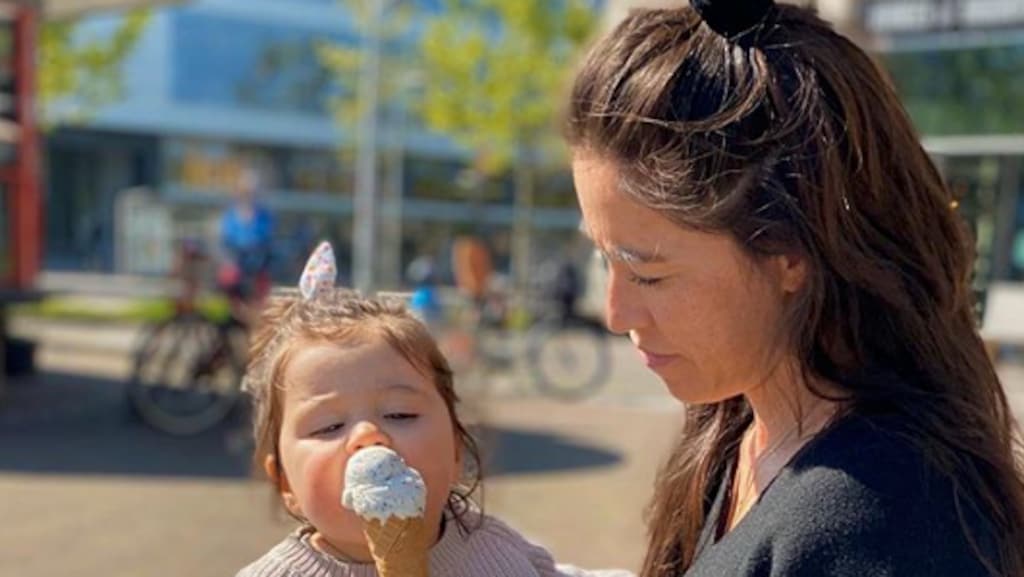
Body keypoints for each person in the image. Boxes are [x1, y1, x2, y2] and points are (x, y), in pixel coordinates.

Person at [565, 1, 1024, 576]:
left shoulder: (880, 523)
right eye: (603, 258)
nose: (615, 312)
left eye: (648, 273)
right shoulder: (739, 430)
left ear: (791, 253)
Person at [236, 242, 628, 577]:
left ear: (457, 449)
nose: (368, 436)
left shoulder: (491, 551)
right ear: (284, 483)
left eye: (401, 414)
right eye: (330, 426)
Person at [219, 166, 275, 325]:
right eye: (245, 191)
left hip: (257, 262)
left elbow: (265, 237)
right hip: (236, 261)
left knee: (261, 287)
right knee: (229, 279)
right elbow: (227, 238)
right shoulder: (230, 214)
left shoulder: (264, 215)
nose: (248, 195)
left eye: (251, 192)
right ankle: (233, 311)